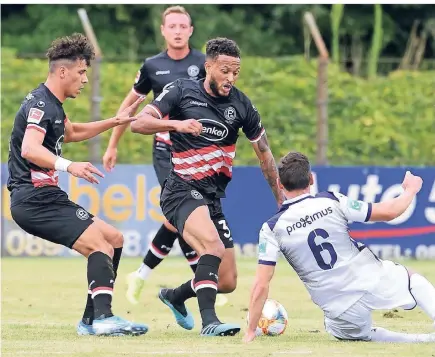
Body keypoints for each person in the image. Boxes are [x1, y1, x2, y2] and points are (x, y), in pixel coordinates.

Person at [130, 37, 283, 337]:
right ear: (208, 66)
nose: (231, 78)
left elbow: (264, 155)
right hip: (180, 189)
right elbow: (139, 123)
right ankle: (210, 322)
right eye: (225, 70)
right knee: (212, 246)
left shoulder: (242, 105)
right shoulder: (180, 91)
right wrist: (176, 125)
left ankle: (174, 296)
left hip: (213, 198)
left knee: (227, 281)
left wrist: (282, 199)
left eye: (236, 72)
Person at [7, 33, 148, 337]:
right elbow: (30, 149)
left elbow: (71, 132)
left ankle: (90, 320)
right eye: (82, 72)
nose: (85, 80)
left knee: (114, 238)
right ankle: (104, 318)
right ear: (62, 72)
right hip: (33, 199)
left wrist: (116, 120)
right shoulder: (41, 105)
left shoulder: (53, 106)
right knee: (99, 245)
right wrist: (69, 166)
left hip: (45, 196)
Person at [244, 151, 435, 343]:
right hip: (370, 278)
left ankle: (423, 340)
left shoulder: (271, 228)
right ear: (311, 179)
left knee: (349, 332)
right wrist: (410, 190)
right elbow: (389, 212)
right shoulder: (332, 200)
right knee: (413, 280)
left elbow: (261, 284)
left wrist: (251, 331)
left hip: (338, 306)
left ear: (280, 184)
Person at [102, 5, 205, 305]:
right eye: (171, 26)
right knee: (182, 211)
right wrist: (112, 144)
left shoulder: (203, 62)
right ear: (163, 30)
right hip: (165, 150)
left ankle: (145, 275)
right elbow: (129, 109)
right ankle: (201, 280)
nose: (176, 30)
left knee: (186, 215)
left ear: (190, 30)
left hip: (198, 151)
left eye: (182, 26)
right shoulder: (152, 66)